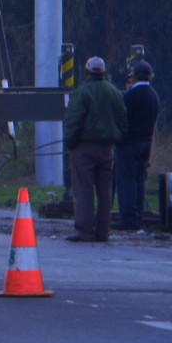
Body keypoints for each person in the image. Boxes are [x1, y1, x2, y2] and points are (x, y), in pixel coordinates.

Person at [63, 56, 128, 242]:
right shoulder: (114, 92)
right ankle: (103, 232)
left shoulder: (82, 92)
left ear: (86, 72)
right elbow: (123, 121)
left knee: (84, 190)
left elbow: (74, 121)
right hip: (107, 149)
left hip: (84, 148)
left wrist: (70, 143)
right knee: (105, 192)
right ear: (104, 72)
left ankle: (85, 231)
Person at [112, 61, 160, 230]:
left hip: (128, 144)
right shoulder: (153, 94)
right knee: (139, 181)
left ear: (134, 75)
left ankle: (128, 218)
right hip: (146, 143)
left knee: (126, 182)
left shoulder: (131, 95)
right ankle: (138, 215)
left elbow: (119, 117)